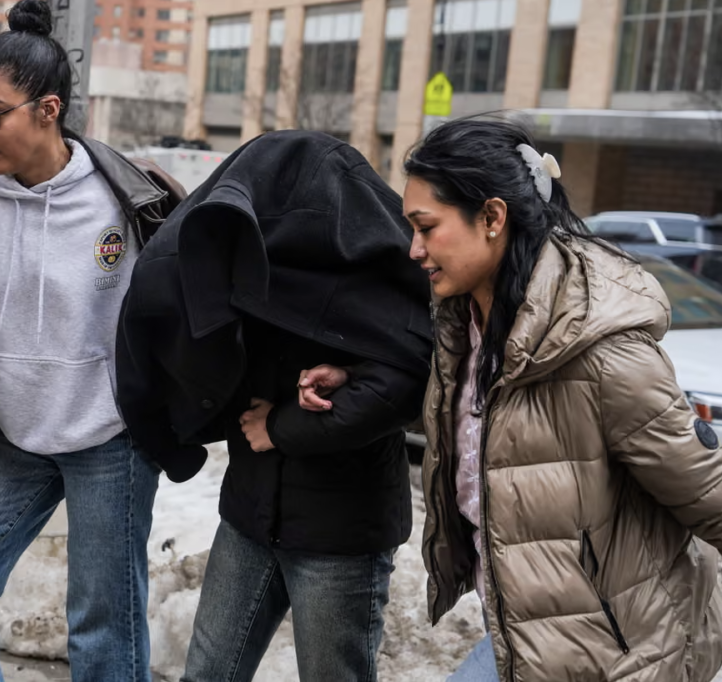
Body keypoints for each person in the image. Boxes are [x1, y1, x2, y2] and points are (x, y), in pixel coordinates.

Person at [302, 117, 722, 681]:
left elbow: (709, 493)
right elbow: (481, 420)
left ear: (493, 218)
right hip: (531, 639)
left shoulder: (602, 354)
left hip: (623, 657)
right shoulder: (469, 324)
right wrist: (352, 377)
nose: (413, 249)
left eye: (427, 227)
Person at [0, 1, 185, 680]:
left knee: (102, 631)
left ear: (48, 109)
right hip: (18, 434)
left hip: (111, 439)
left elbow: (180, 309)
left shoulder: (127, 198)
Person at [115, 130, 434, 681]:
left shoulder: (379, 274)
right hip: (248, 517)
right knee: (207, 673)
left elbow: (401, 383)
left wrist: (280, 427)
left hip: (341, 538)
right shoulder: (251, 262)